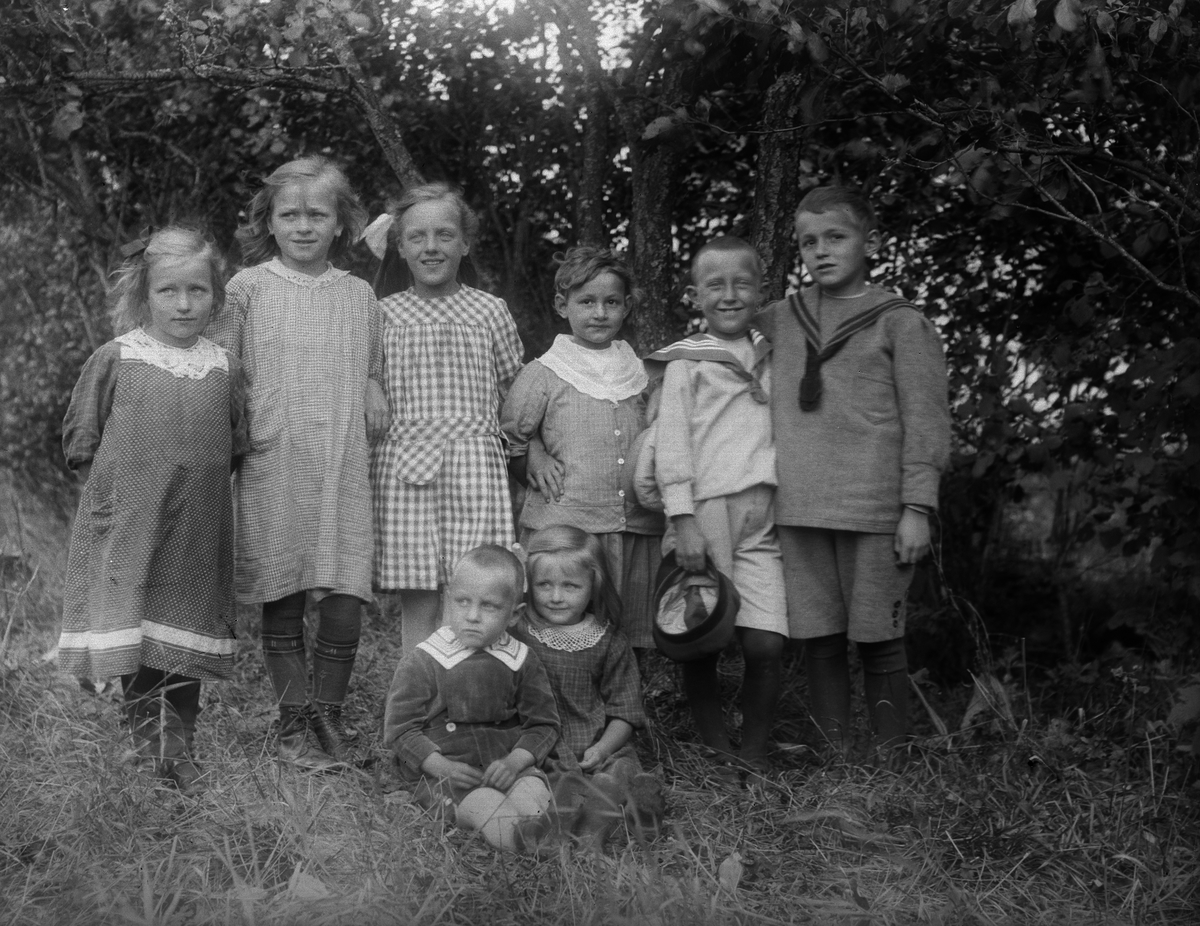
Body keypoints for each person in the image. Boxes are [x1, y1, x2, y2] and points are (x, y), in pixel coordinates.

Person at [206, 156, 389, 771]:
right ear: (270, 223)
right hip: (272, 457)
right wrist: (236, 437)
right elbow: (223, 371)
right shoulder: (246, 288)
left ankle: (330, 720)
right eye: (290, 215)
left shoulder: (360, 294)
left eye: (318, 214)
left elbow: (371, 368)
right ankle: (292, 726)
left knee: (343, 589)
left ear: (341, 223)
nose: (304, 226)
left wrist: (371, 385)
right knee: (280, 590)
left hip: (341, 460)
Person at [755, 185, 951, 758]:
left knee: (878, 637)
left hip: (875, 509)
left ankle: (887, 760)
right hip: (797, 506)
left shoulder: (900, 322)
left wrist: (917, 507)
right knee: (818, 637)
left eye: (836, 237)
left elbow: (928, 420)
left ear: (870, 241)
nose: (821, 251)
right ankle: (835, 755)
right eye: (808, 241)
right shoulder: (779, 320)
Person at [59, 226, 247, 795]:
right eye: (169, 291)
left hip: (195, 529)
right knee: (138, 633)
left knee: (182, 632)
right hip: (130, 527)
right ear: (144, 295)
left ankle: (180, 742)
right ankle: (148, 743)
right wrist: (113, 505)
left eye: (198, 290)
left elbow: (235, 444)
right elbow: (81, 437)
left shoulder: (225, 367)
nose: (184, 304)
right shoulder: (118, 357)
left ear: (216, 295)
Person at [645, 236, 789, 776]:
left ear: (762, 291)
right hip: (704, 513)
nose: (729, 296)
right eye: (715, 286)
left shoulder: (775, 354)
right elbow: (673, 442)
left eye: (742, 284)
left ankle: (753, 753)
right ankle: (717, 753)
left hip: (763, 515)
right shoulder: (689, 361)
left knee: (766, 641)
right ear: (695, 295)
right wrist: (681, 518)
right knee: (698, 630)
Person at [370, 183, 524, 648]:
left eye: (444, 235)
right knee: (418, 594)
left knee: (475, 587)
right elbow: (365, 381)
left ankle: (472, 695)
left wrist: (528, 458)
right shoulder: (381, 314)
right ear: (400, 247)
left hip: (475, 468)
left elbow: (514, 394)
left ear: (465, 243)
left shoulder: (489, 311)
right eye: (416, 237)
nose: (431, 247)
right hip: (405, 470)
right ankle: (417, 702)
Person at [500, 247, 664, 652]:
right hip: (567, 526)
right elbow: (509, 435)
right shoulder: (545, 372)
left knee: (623, 627)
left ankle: (621, 700)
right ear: (562, 305)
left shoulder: (641, 372)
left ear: (626, 307)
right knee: (564, 621)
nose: (599, 313)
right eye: (586, 301)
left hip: (632, 524)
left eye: (611, 303)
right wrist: (533, 455)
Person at [382, 545, 560, 852]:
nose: (473, 617)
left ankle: (549, 831)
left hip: (508, 768)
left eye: (489, 607)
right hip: (450, 777)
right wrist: (439, 766)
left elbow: (544, 725)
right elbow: (399, 729)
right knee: (486, 805)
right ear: (448, 600)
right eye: (463, 602)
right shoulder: (425, 659)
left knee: (532, 796)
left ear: (513, 615)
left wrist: (515, 762)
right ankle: (527, 843)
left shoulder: (521, 660)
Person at [512, 526, 664, 846]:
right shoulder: (518, 632)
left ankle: (623, 808)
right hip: (543, 750)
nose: (556, 597)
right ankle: (570, 826)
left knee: (619, 771)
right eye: (544, 584)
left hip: (597, 746)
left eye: (570, 586)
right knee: (546, 787)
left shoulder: (607, 640)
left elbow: (625, 711)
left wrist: (604, 747)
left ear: (593, 585)